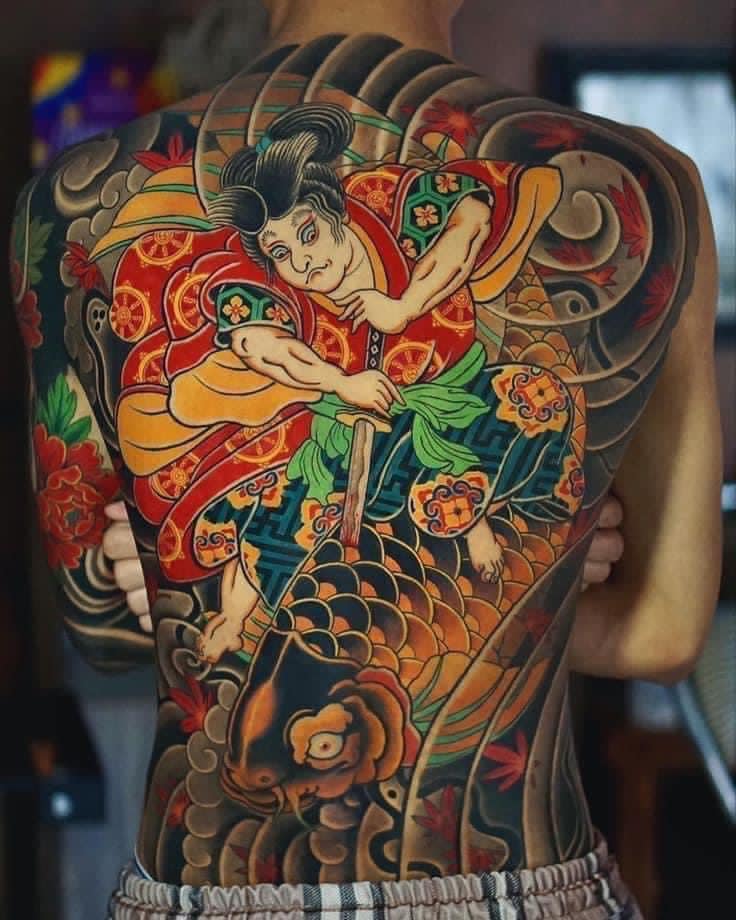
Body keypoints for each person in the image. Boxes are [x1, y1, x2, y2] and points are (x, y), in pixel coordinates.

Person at [12, 0, 722, 917]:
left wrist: (178, 575)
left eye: (308, 238)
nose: (304, 267)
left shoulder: (71, 203)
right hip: (522, 882)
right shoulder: (647, 188)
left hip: (205, 887)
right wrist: (531, 581)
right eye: (281, 255)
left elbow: (103, 624)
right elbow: (664, 632)